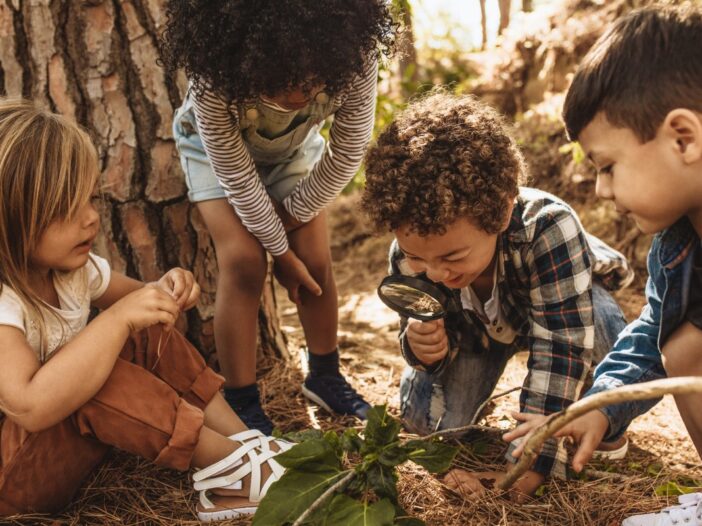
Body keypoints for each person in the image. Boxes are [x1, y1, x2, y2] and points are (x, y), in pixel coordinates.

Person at [0, 100, 289, 522]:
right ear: (10, 220)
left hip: (60, 452)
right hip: (13, 480)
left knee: (140, 332)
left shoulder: (72, 273)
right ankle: (233, 469)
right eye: (68, 208)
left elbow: (145, 305)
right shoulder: (6, 302)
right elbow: (30, 405)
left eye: (91, 199)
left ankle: (245, 445)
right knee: (97, 373)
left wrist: (166, 289)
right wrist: (117, 319)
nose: (91, 219)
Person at [360, 91, 634, 499]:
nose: (435, 272)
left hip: (557, 309)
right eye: (420, 258)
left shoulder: (549, 228)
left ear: (502, 213)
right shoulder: (411, 252)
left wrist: (532, 460)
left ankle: (601, 418)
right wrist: (423, 349)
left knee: (604, 324)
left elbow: (560, 345)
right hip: (474, 334)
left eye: (452, 255)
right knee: (426, 424)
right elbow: (414, 325)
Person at [159, 0, 397, 433]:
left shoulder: (354, 55)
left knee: (316, 260)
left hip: (293, 152)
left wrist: (290, 227)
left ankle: (325, 376)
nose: (299, 97)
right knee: (245, 262)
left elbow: (346, 155)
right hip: (214, 156)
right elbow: (236, 177)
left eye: (310, 84)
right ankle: (242, 400)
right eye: (279, 84)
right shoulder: (214, 77)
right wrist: (280, 256)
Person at [506, 5, 702, 525]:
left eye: (608, 167)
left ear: (684, 138)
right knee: (682, 344)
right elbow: (650, 334)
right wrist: (598, 405)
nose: (601, 190)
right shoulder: (677, 245)